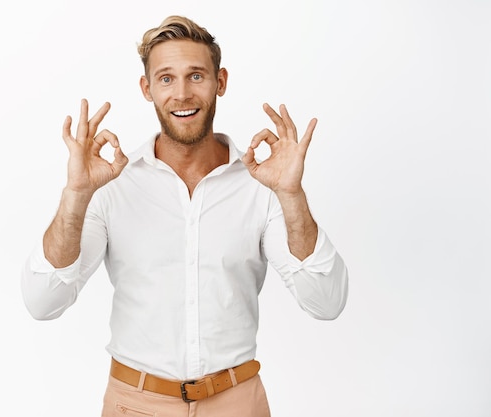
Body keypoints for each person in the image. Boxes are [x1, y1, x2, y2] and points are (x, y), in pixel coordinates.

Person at [21, 15, 348, 417]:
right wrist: (76, 195)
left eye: (196, 76)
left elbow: (326, 303)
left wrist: (292, 195)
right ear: (147, 88)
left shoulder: (261, 185)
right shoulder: (111, 184)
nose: (182, 94)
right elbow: (42, 302)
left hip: (237, 403)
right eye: (165, 79)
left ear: (220, 82)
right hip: (136, 404)